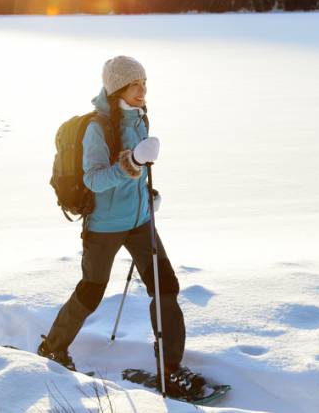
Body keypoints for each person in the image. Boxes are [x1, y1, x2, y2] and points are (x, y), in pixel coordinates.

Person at [38, 55, 207, 399]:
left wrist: (147, 194)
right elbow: (95, 179)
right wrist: (133, 162)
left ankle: (171, 370)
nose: (143, 90)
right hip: (104, 226)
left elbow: (137, 172)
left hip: (140, 221)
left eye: (145, 83)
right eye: (135, 84)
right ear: (118, 87)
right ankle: (53, 347)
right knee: (91, 291)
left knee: (165, 287)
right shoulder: (98, 129)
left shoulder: (139, 117)